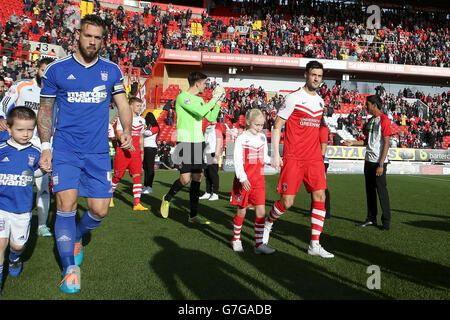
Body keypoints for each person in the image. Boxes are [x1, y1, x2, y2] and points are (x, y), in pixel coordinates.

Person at [37, 14, 133, 294]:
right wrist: (46, 147)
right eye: (88, 35)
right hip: (65, 149)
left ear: (103, 40)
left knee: (98, 210)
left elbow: (122, 103)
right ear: (78, 34)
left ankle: (77, 235)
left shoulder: (112, 70)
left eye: (98, 37)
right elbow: (45, 111)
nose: (92, 41)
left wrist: (124, 128)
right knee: (65, 207)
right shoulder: (57, 70)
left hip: (98, 151)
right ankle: (70, 268)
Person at [263, 60, 334, 258]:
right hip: (293, 157)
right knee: (287, 202)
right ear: (306, 75)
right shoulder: (293, 98)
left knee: (320, 197)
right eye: (313, 75)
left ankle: (314, 244)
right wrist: (276, 154)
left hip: (314, 159)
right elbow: (277, 125)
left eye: (319, 76)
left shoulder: (320, 101)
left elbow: (319, 129)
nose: (316, 79)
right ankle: (268, 223)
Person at [159, 72, 226, 224]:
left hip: (198, 142)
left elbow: (211, 117)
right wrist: (214, 98)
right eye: (204, 83)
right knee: (185, 179)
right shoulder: (183, 97)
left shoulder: (200, 100)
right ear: (197, 83)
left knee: (197, 177)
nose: (205, 86)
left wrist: (219, 102)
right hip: (185, 141)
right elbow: (201, 112)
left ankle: (193, 215)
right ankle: (167, 198)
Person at [0, 57, 54, 237]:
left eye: (49, 71)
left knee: (43, 184)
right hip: (17, 141)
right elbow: (4, 106)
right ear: (37, 69)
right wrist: (3, 121)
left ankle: (42, 225)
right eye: (43, 70)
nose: (45, 75)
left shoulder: (55, 92)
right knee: (10, 180)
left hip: (42, 142)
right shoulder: (21, 86)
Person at [0, 107, 45, 297]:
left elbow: (39, 170)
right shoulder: (1, 149)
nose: (26, 134)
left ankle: (15, 258)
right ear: (8, 129)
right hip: (1, 206)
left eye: (30, 129)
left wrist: (44, 168)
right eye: (20, 130)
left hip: (22, 209)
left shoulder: (35, 151)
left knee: (17, 246)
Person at [343, 95, 392, 231]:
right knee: (369, 191)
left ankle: (386, 222)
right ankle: (371, 219)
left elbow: (387, 143)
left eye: (368, 104)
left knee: (382, 192)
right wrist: (352, 142)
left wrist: (381, 164)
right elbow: (366, 142)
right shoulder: (371, 120)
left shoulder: (384, 120)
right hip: (368, 161)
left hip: (378, 162)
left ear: (374, 105)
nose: (366, 107)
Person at [230, 109, 275, 254]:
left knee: (261, 211)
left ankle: (259, 244)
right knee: (242, 210)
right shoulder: (241, 138)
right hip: (244, 181)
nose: (260, 128)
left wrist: (273, 161)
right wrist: (242, 178)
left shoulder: (262, 137)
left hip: (259, 181)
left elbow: (264, 157)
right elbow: (237, 160)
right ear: (248, 122)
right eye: (257, 125)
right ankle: (236, 239)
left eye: (262, 125)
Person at [110, 97, 148, 211]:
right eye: (138, 106)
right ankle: (109, 197)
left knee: (137, 176)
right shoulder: (123, 118)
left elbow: (141, 137)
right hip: (123, 153)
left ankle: (137, 204)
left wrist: (142, 151)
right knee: (117, 177)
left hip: (135, 154)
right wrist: (127, 144)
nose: (140, 108)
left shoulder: (142, 120)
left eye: (141, 106)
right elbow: (119, 133)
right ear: (130, 106)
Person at [199, 121, 223, 201]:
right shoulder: (207, 127)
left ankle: (215, 193)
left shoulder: (217, 126)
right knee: (207, 174)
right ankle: (208, 192)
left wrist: (216, 155)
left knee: (213, 174)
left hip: (213, 153)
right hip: (206, 153)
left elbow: (219, 142)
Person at [142, 110, 159, 194]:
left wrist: (141, 131)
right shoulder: (146, 128)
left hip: (151, 148)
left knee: (150, 168)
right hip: (145, 148)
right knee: (145, 168)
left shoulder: (155, 127)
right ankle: (145, 186)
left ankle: (149, 186)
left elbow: (148, 133)